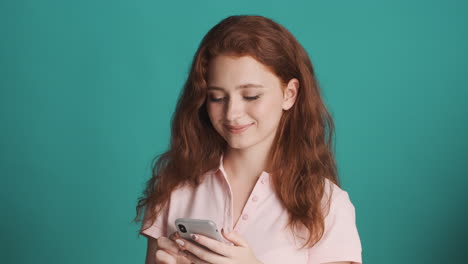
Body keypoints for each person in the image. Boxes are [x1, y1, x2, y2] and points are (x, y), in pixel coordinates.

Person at [135, 15, 362, 264]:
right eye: (217, 97)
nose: (232, 114)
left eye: (251, 96)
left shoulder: (327, 205)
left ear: (289, 94)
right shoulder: (174, 188)